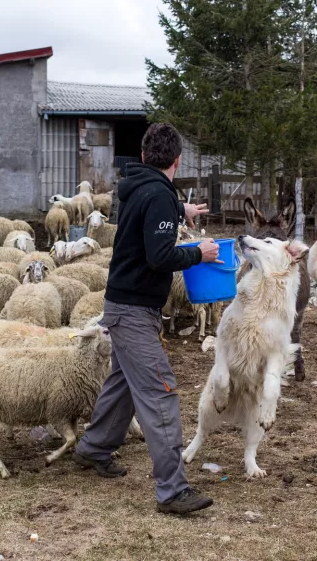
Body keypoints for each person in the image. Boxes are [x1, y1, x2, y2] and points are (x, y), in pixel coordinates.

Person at [72, 123, 220, 515]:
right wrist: (198, 254)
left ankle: (93, 447)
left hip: (123, 304)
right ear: (177, 161)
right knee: (159, 391)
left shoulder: (138, 186)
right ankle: (172, 490)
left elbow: (151, 213)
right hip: (134, 310)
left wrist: (181, 210)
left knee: (123, 383)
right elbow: (159, 256)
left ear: (142, 156)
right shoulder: (158, 194)